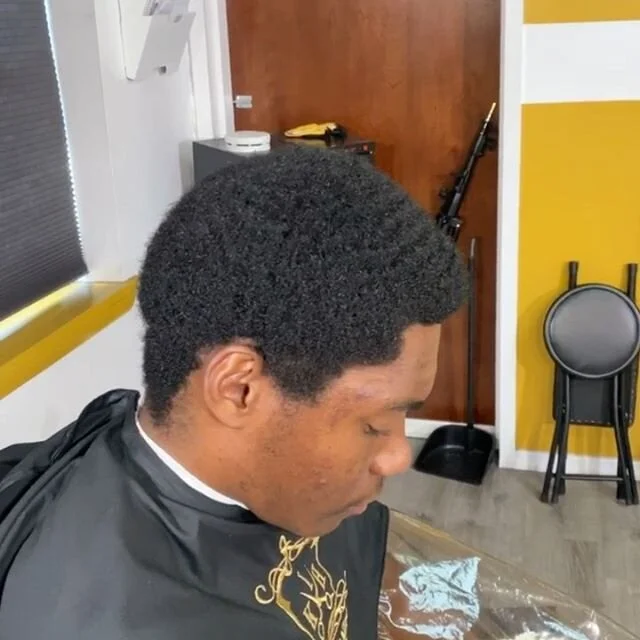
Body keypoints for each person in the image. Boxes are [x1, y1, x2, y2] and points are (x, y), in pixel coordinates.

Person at [0, 146, 467, 639]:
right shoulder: (90, 618)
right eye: (374, 425)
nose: (398, 457)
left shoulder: (290, 480)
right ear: (239, 389)